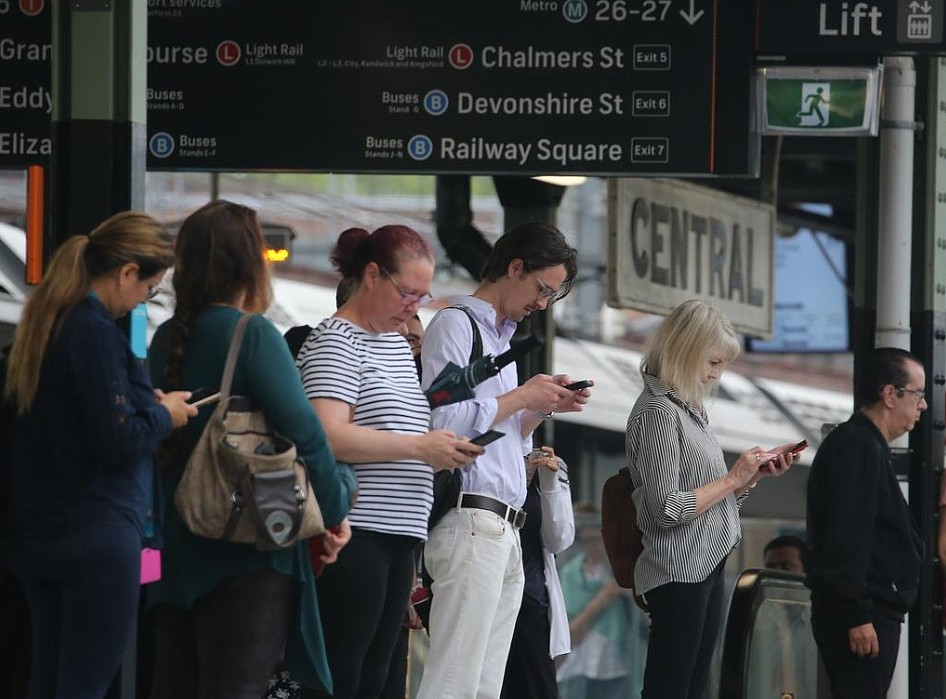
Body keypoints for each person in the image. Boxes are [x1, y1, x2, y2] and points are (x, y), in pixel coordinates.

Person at [146, 200, 358, 699]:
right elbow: (307, 433)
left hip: (172, 554)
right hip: (250, 551)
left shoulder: (163, 339)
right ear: (249, 263)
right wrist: (336, 504)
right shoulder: (253, 334)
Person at [2, 211, 196, 699]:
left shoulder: (46, 323)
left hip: (38, 533)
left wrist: (136, 403)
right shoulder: (94, 331)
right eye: (149, 289)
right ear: (128, 272)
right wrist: (164, 414)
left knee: (47, 678)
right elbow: (119, 441)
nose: (143, 301)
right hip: (98, 534)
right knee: (86, 684)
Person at [295, 224, 482, 699]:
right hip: (355, 529)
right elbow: (328, 435)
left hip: (400, 533)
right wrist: (420, 448)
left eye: (423, 295)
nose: (413, 306)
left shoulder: (394, 344)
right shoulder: (336, 341)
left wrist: (436, 450)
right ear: (372, 275)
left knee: (379, 679)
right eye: (407, 292)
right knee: (344, 673)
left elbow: (398, 433)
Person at [416, 219, 588, 699]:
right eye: (542, 288)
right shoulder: (455, 324)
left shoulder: (499, 338)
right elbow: (443, 422)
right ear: (515, 267)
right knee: (455, 679)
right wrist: (520, 398)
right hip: (473, 518)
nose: (542, 303)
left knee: (485, 685)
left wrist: (534, 410)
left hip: (504, 527)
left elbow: (494, 435)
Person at [625, 298, 795, 699]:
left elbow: (712, 506)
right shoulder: (658, 412)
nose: (715, 375)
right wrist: (732, 477)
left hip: (705, 560)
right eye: (712, 362)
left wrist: (745, 482)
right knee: (674, 685)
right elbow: (666, 507)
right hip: (678, 567)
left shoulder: (689, 409)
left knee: (695, 685)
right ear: (686, 352)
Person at [806, 347, 926, 699]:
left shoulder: (866, 446)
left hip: (870, 611)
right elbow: (847, 536)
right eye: (917, 395)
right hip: (863, 615)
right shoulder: (857, 447)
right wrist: (855, 614)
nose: (923, 406)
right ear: (891, 394)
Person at [499, 445, 574, 699]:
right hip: (490, 596)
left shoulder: (546, 464)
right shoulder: (491, 460)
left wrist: (551, 483)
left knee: (537, 689)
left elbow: (559, 540)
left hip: (531, 600)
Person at [557, 503, 637, 699]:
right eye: (589, 540)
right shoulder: (571, 574)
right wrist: (605, 597)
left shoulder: (621, 571)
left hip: (617, 666)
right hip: (578, 666)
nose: (596, 546)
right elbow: (569, 633)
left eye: (600, 539)